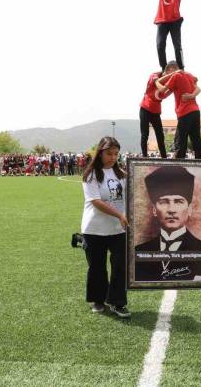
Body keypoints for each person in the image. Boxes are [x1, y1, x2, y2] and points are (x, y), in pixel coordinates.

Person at [135, 165, 201, 282]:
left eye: (178, 201)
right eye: (164, 202)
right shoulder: (139, 252)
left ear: (190, 209)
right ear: (154, 210)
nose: (171, 209)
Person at [80, 136, 130, 318]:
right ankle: (98, 301)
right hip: (94, 229)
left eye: (116, 154)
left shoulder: (122, 175)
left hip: (118, 229)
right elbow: (96, 202)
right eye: (109, 153)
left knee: (120, 266)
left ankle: (118, 302)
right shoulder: (91, 175)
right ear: (100, 152)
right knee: (97, 267)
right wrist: (120, 215)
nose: (113, 157)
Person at [155, 62, 201, 159]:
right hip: (195, 111)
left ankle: (178, 164)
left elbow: (163, 89)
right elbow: (198, 88)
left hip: (185, 112)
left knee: (180, 141)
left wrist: (156, 82)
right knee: (196, 139)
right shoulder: (188, 75)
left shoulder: (176, 75)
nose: (168, 76)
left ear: (171, 69)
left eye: (167, 73)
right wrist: (191, 95)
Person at [150, 0, 191, 71]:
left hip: (175, 21)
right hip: (162, 21)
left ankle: (181, 68)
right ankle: (164, 68)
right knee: (160, 45)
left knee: (177, 46)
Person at [139, 71, 172, 158]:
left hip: (156, 112)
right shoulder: (154, 76)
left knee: (160, 135)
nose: (169, 76)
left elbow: (167, 92)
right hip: (145, 108)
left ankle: (164, 156)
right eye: (168, 74)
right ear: (165, 71)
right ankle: (145, 156)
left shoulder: (168, 82)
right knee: (144, 134)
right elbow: (158, 83)